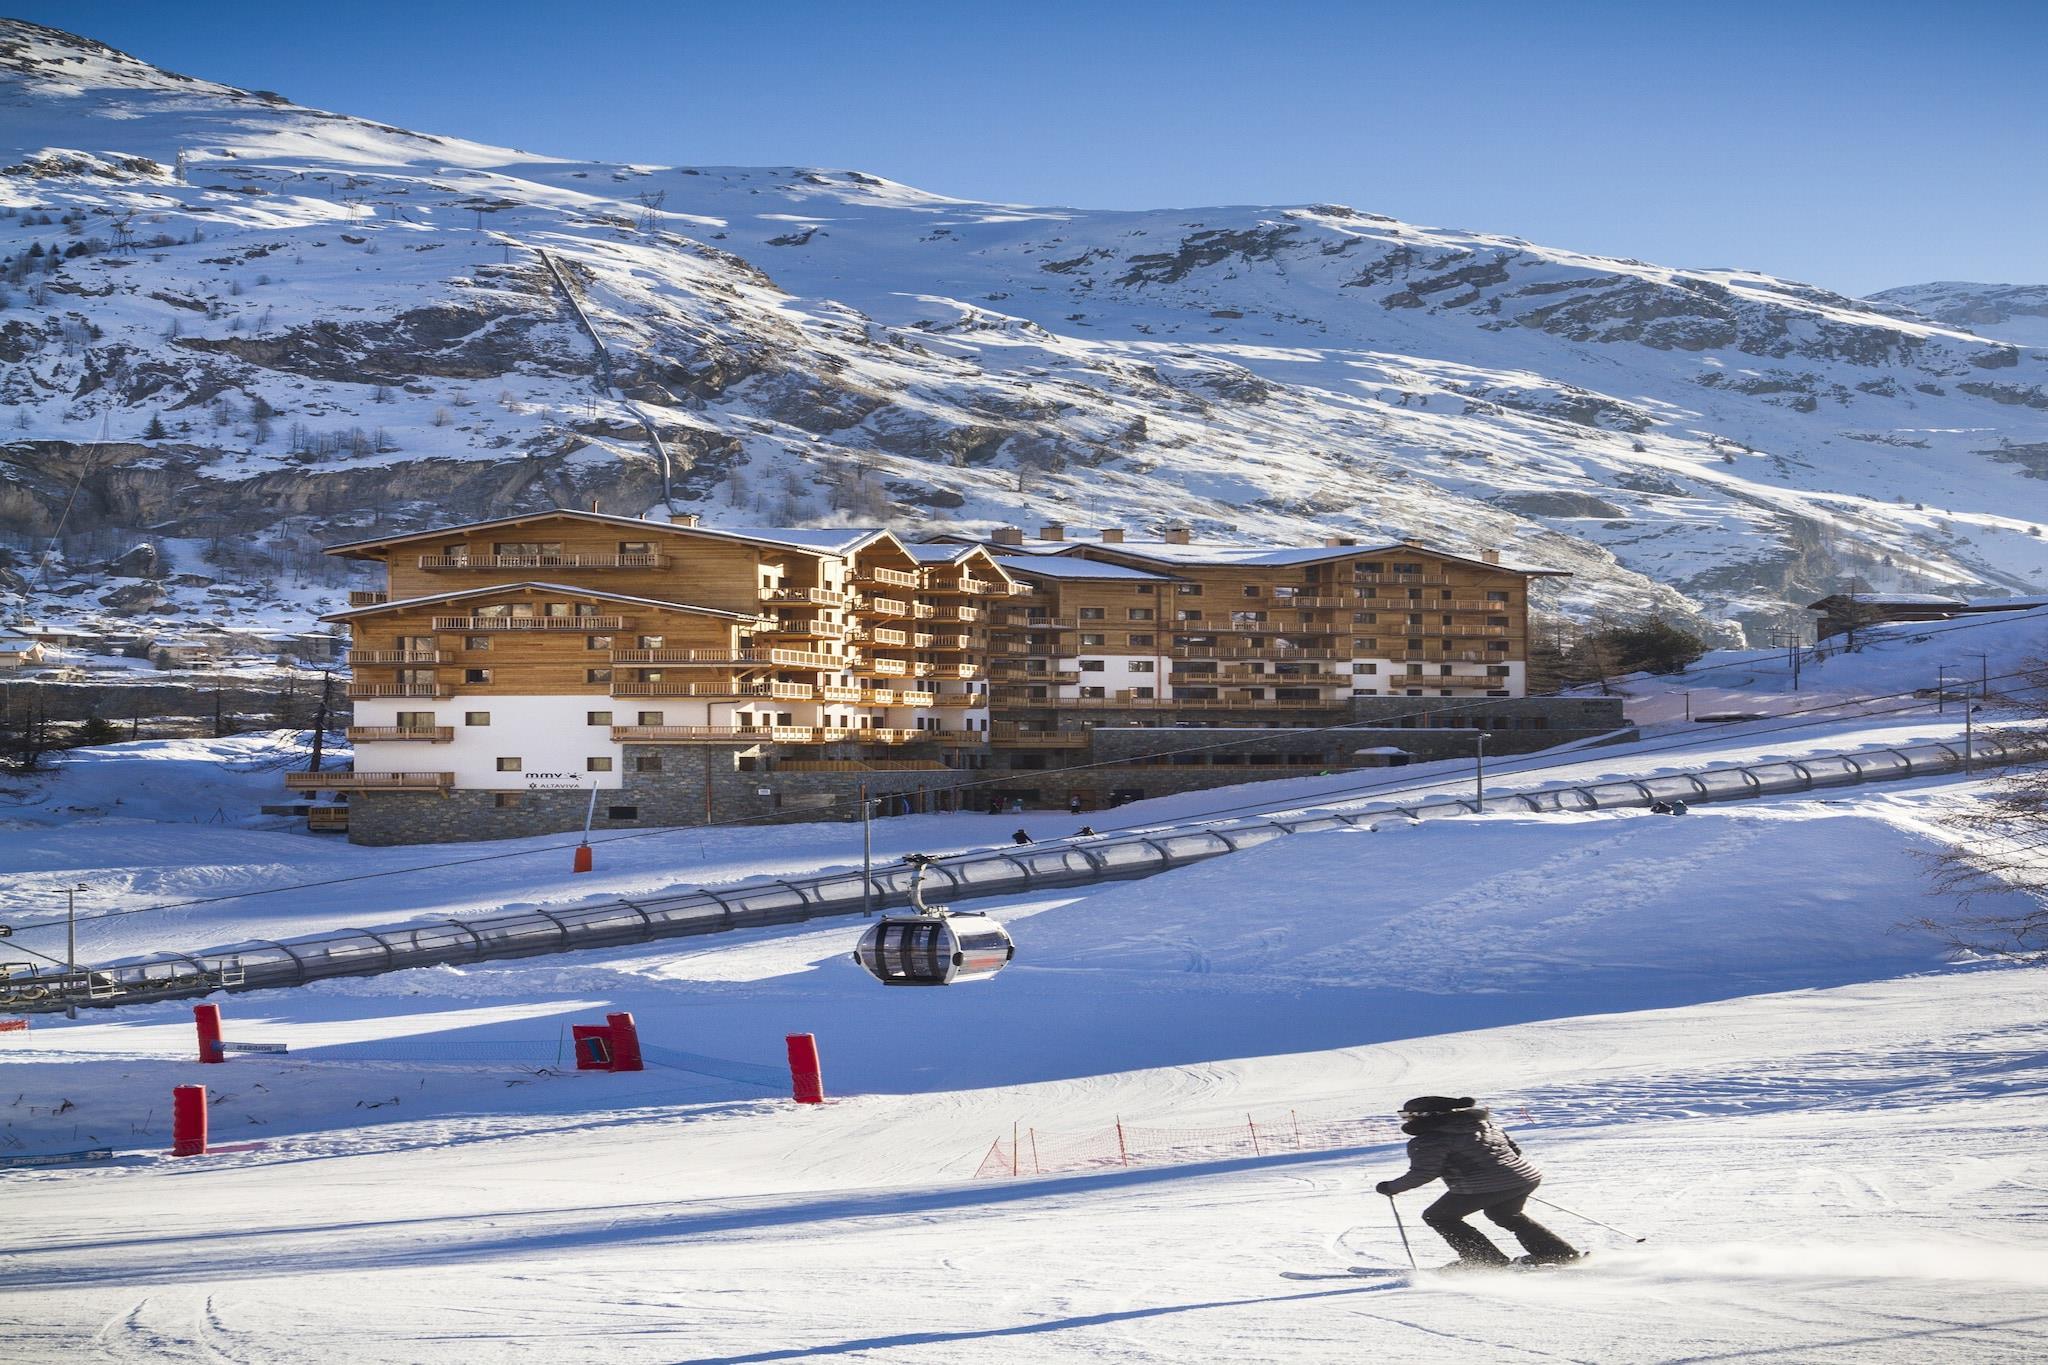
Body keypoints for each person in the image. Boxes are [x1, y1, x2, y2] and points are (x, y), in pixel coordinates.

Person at [1375, 1095, 1580, 1269]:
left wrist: (1391, 1187)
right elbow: (1514, 1151)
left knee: (1438, 1216)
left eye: (1407, 1115)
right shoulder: (1486, 1125)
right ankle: (1558, 1254)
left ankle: (1487, 1262)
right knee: (1504, 1214)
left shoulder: (1429, 1140)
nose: (1406, 1120)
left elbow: (1424, 1173)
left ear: (1427, 1116)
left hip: (1485, 1186)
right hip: (1525, 1177)